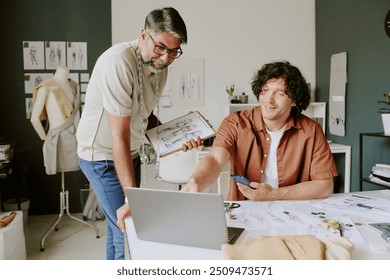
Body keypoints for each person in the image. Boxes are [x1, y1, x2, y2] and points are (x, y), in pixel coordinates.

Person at [76, 7, 193, 260]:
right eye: (161, 47)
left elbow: (144, 115)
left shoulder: (161, 66)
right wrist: (132, 199)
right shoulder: (118, 62)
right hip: (101, 157)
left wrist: (175, 137)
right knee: (128, 225)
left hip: (130, 152)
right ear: (143, 35)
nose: (165, 58)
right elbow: (119, 135)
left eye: (174, 52)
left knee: (117, 224)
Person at [181, 61, 338, 201]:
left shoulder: (311, 130)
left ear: (294, 100)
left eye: (280, 93)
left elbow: (324, 186)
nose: (269, 100)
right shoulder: (236, 122)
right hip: (244, 210)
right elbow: (215, 160)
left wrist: (275, 194)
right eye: (265, 90)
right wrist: (195, 182)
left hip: (291, 211)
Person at [30, 66, 80, 175]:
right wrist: (45, 138)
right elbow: (34, 119)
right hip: (56, 139)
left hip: (73, 139)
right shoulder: (46, 87)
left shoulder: (73, 86)